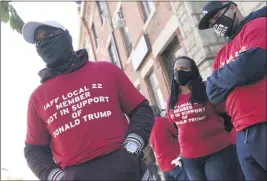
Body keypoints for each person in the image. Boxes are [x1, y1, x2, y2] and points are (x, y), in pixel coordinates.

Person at [22, 21, 155, 181]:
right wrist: (55, 176)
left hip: (129, 171)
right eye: (39, 41)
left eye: (49, 35)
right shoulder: (37, 98)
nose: (44, 42)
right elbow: (33, 150)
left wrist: (133, 145)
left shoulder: (106, 70)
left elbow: (141, 109)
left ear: (66, 37)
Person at [198, 1, 266, 180]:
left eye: (217, 16)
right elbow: (213, 93)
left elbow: (253, 65)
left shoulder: (257, 26)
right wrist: (236, 71)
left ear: (233, 7)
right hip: (242, 133)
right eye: (212, 22)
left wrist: (222, 78)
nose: (216, 24)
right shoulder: (221, 54)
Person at [167, 56, 239, 181]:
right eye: (176, 70)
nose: (179, 72)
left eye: (183, 68)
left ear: (193, 71)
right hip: (189, 158)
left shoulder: (207, 88)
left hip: (217, 152)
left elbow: (227, 115)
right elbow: (175, 126)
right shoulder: (172, 100)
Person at [150, 105, 189, 181]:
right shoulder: (164, 120)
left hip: (163, 165)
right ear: (157, 111)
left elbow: (153, 146)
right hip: (174, 160)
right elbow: (177, 133)